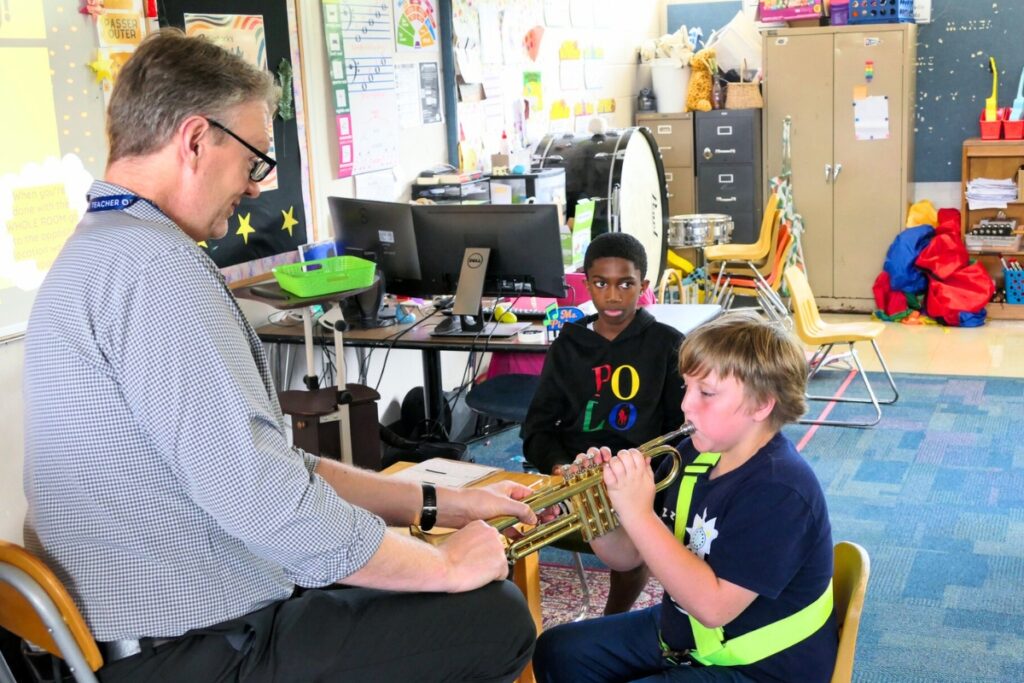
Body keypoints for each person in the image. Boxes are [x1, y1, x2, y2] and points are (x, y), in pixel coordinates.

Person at [22, 29, 537, 682]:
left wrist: (434, 504)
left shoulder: (95, 252)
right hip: (184, 650)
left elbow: (271, 464)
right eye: (254, 161)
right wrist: (443, 564)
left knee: (382, 576)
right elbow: (267, 499)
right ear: (195, 140)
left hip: (124, 637)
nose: (258, 187)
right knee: (493, 614)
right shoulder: (158, 270)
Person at [532, 311, 838, 682]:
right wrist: (595, 510)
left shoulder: (781, 491)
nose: (686, 405)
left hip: (759, 665)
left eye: (706, 393)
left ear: (762, 404)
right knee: (557, 651)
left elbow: (713, 607)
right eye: (687, 388)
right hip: (687, 633)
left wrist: (639, 513)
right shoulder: (692, 456)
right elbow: (627, 556)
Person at [521, 231, 686, 615]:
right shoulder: (568, 345)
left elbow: (682, 430)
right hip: (578, 474)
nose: (613, 296)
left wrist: (643, 477)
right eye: (601, 283)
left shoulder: (668, 344)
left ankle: (613, 619)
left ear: (643, 287)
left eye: (626, 284)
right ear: (587, 283)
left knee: (634, 538)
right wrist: (563, 469)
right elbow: (537, 428)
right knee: (505, 520)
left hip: (642, 475)